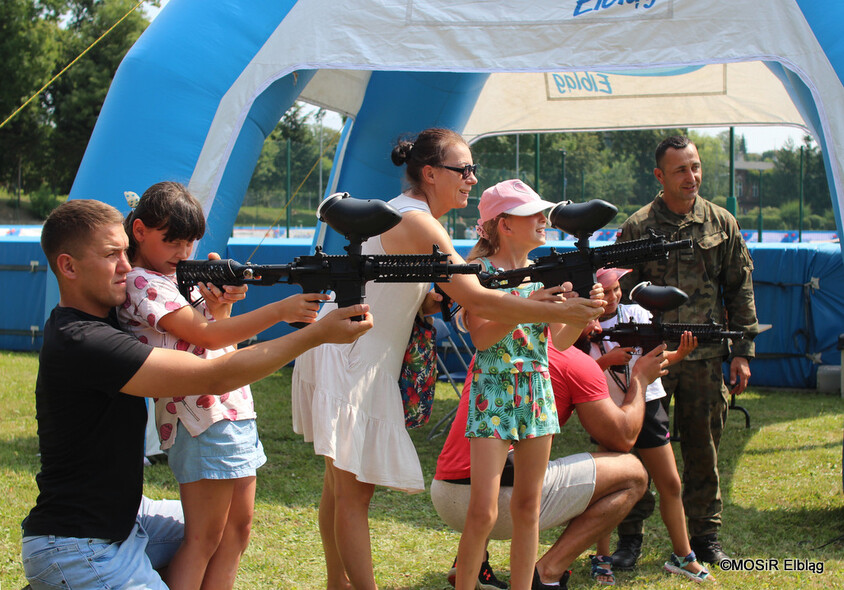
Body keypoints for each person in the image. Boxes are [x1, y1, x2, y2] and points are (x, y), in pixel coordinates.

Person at [291, 128, 605, 590]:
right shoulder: (420, 222)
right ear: (430, 173)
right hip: (355, 358)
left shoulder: (407, 216)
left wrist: (425, 301)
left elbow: (413, 291)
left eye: (473, 170)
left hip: (347, 351)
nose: (472, 179)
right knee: (351, 495)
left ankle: (338, 585)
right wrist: (551, 306)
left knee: (338, 492)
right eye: (464, 170)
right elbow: (483, 301)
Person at [21, 199, 372, 590]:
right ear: (68, 267)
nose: (126, 266)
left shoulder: (108, 316)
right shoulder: (84, 340)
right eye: (111, 255)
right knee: (205, 536)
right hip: (80, 546)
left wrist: (215, 308)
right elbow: (213, 376)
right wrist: (315, 333)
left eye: (124, 251)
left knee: (223, 529)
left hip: (126, 521)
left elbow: (202, 340)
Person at [116, 182, 329, 590]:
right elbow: (208, 339)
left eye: (189, 243)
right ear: (139, 231)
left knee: (238, 532)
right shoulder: (143, 282)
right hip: (198, 418)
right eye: (172, 241)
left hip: (230, 408)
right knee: (204, 538)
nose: (182, 253)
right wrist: (280, 310)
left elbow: (218, 332)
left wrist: (221, 303)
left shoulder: (172, 278)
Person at [614, 135, 759, 566]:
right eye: (680, 169)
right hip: (651, 359)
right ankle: (630, 537)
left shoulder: (721, 222)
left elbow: (739, 288)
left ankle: (705, 537)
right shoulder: (638, 227)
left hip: (704, 356)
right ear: (660, 175)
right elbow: (619, 294)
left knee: (703, 448)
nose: (691, 176)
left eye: (695, 167)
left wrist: (742, 351)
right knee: (639, 447)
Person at [432, 336, 668, 590]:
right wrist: (640, 379)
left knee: (509, 453)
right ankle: (546, 574)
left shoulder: (496, 340)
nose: (600, 327)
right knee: (633, 473)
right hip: (499, 501)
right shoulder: (576, 362)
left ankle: (473, 560)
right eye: (593, 311)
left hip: (444, 490)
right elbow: (623, 437)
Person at [454, 179, 598, 590]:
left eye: (541, 212)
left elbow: (560, 340)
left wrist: (583, 311)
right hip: (494, 389)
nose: (543, 220)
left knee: (528, 508)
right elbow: (481, 339)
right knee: (483, 511)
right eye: (531, 213)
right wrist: (529, 306)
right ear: (503, 224)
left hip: (536, 388)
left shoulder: (544, 274)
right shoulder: (478, 274)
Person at [587, 268, 712, 584]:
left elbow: (656, 359)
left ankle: (684, 556)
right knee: (606, 489)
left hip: (649, 404)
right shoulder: (583, 325)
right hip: (609, 411)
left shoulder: (638, 313)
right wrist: (606, 360)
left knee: (670, 483)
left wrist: (678, 354)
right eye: (606, 291)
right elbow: (579, 370)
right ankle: (601, 558)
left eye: (617, 289)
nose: (613, 296)